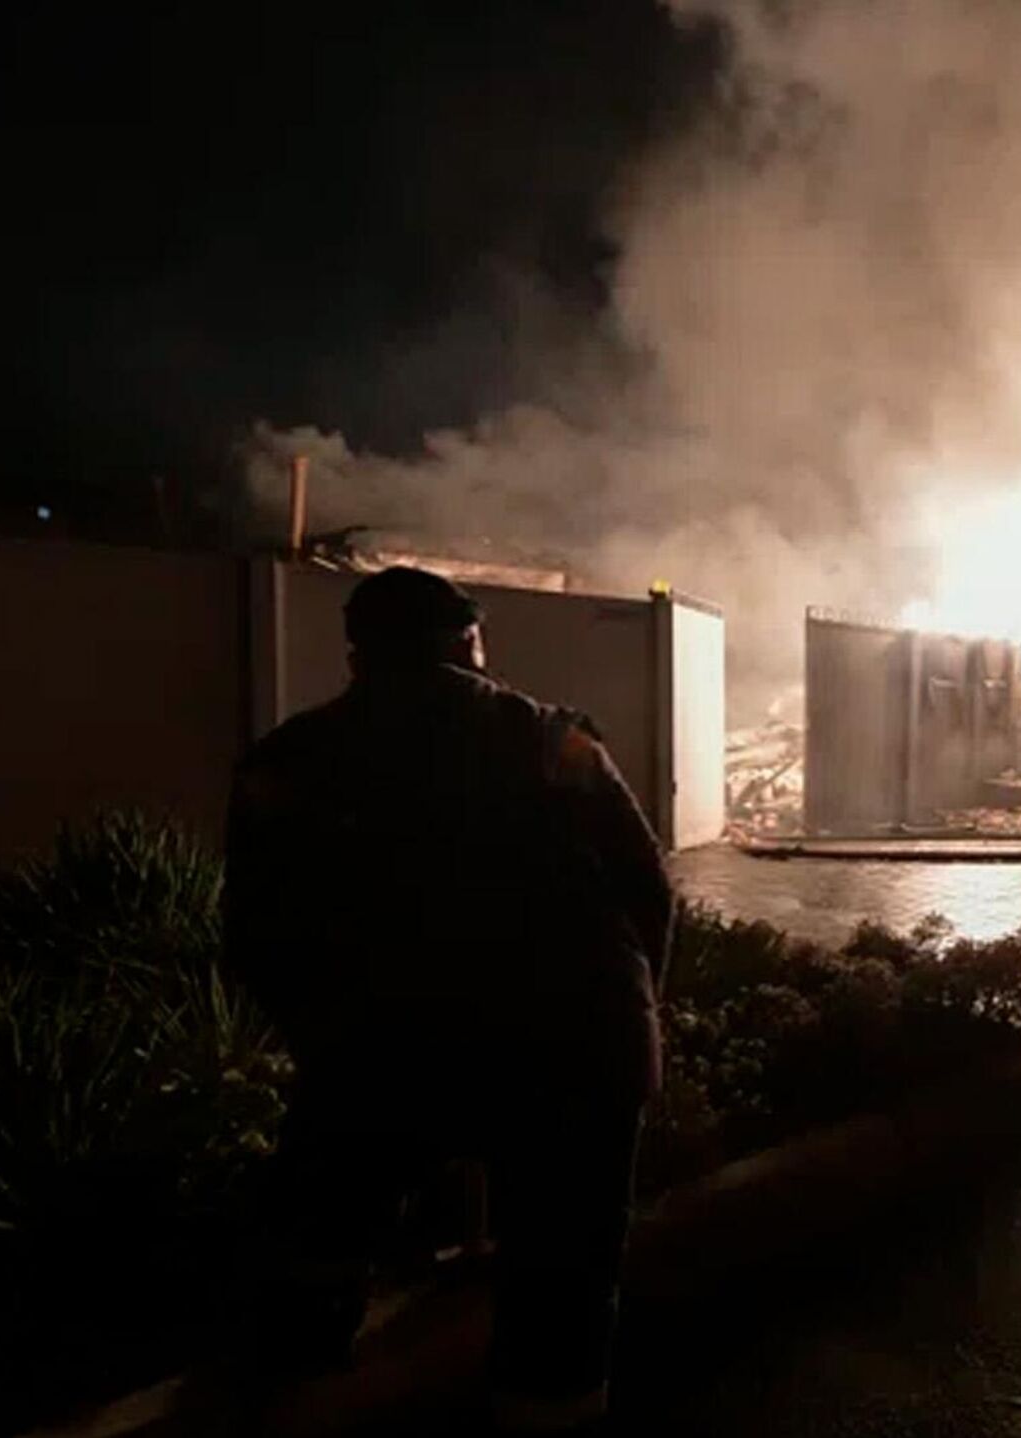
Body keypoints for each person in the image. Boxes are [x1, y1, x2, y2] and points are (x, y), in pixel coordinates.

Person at [223, 565, 673, 1432]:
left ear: (358, 658)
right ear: (470, 644)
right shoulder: (553, 743)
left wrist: (324, 1045)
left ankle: (297, 1383)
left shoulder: (287, 762)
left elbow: (255, 934)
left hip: (380, 1050)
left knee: (315, 1241)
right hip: (573, 1054)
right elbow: (647, 888)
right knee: (562, 1289)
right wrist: (633, 1015)